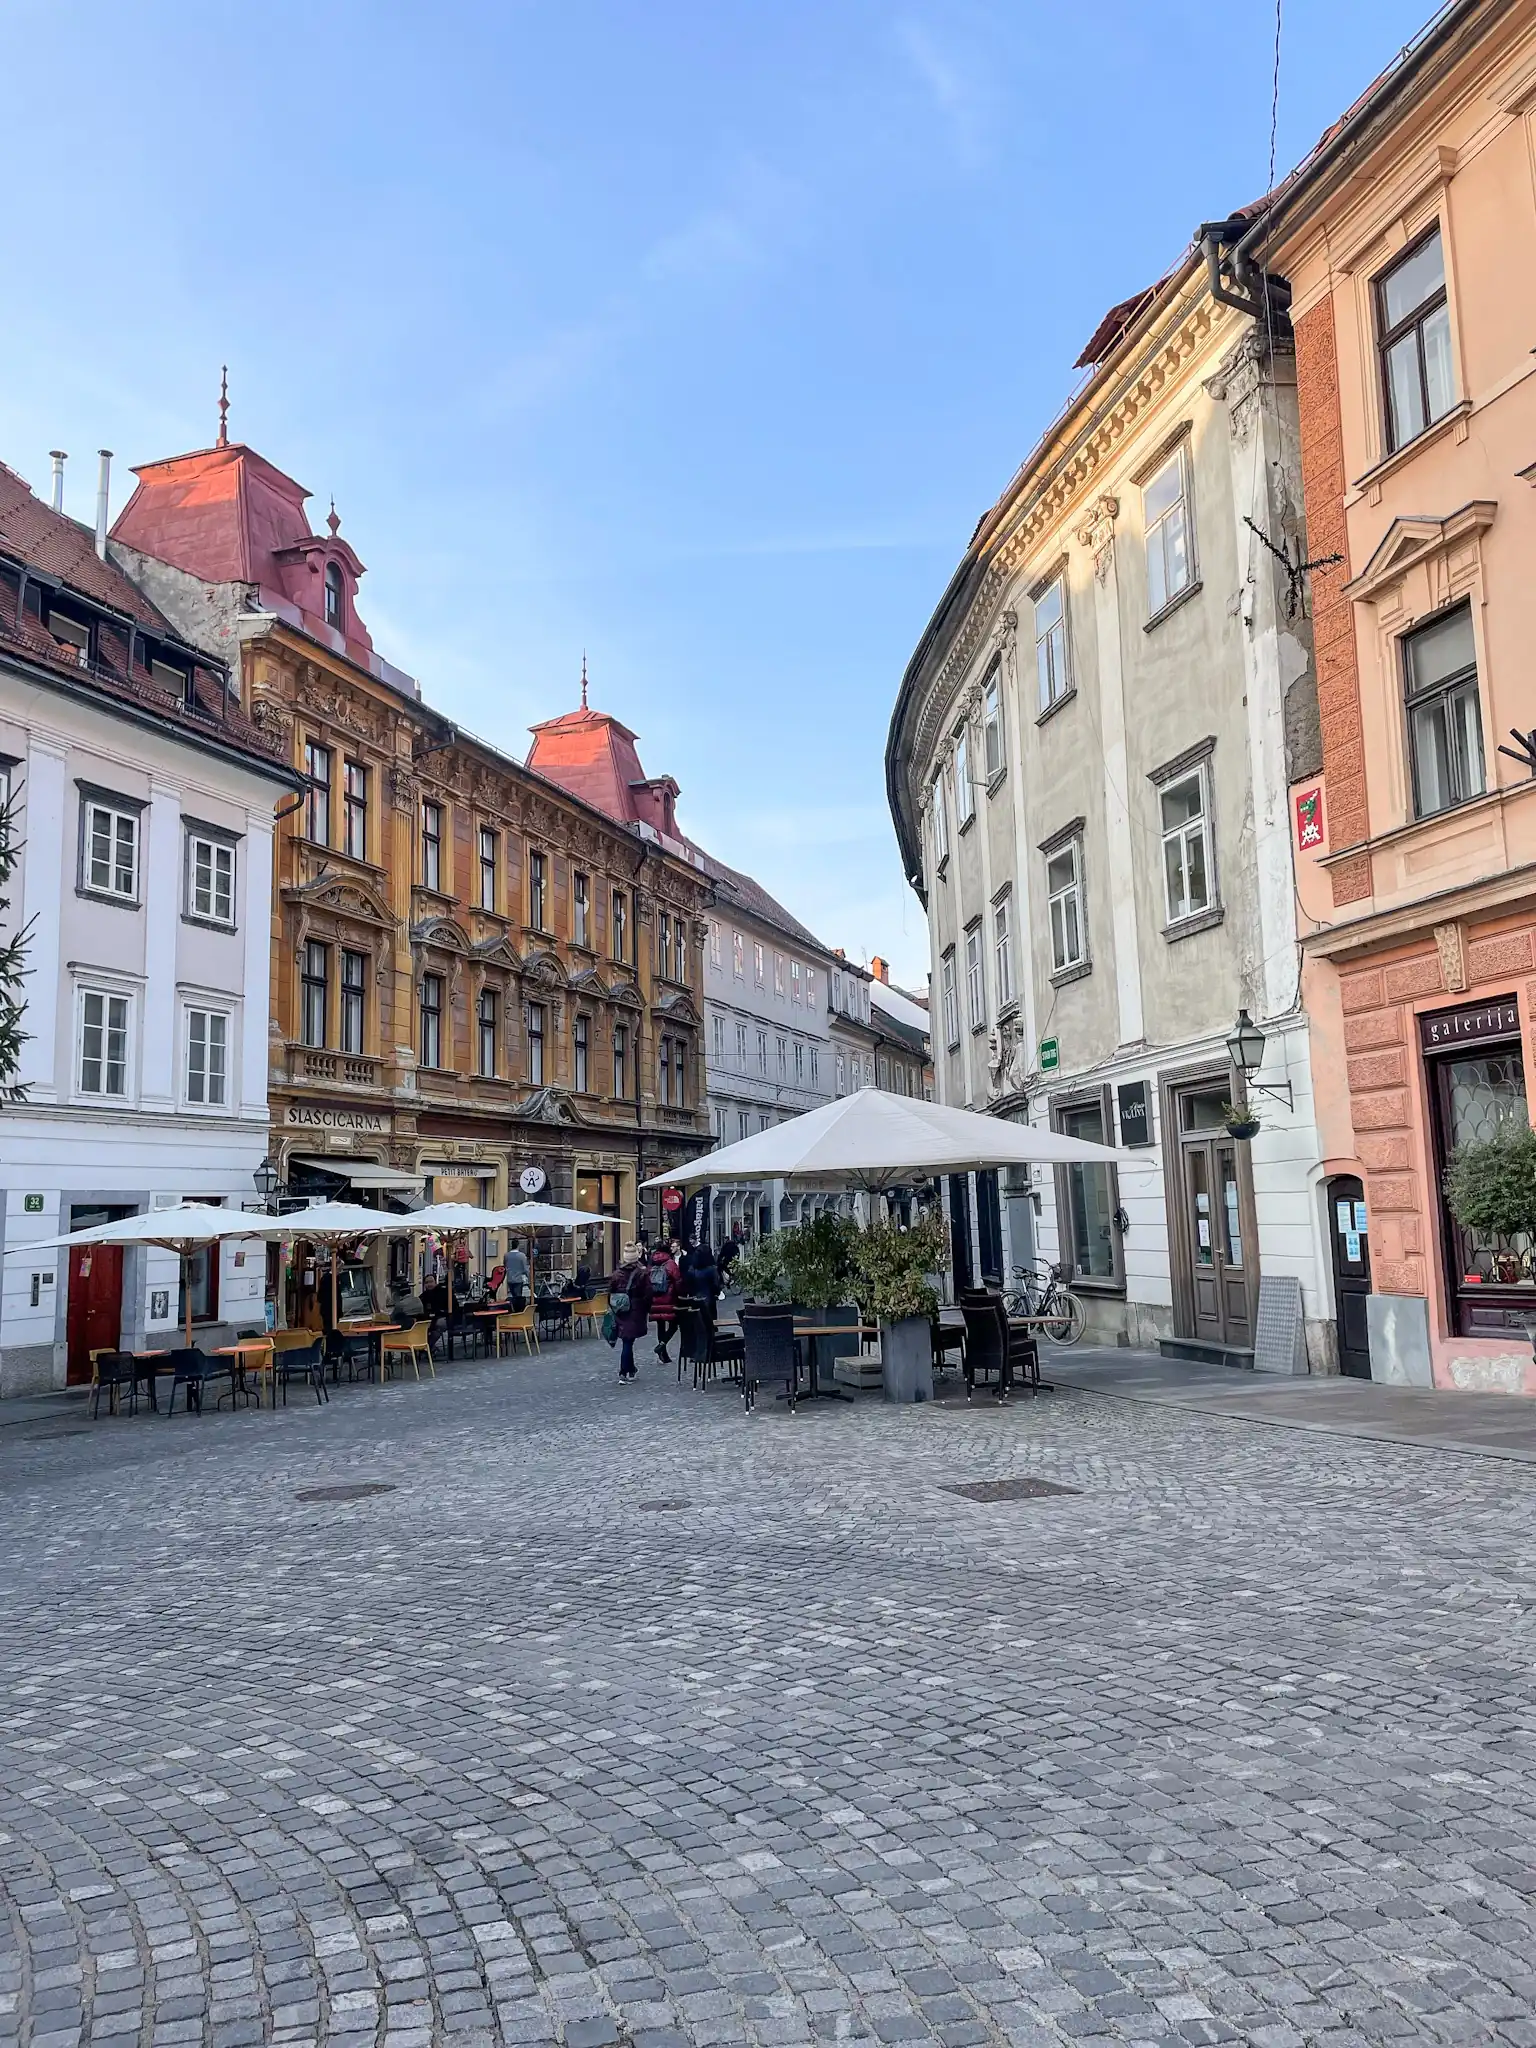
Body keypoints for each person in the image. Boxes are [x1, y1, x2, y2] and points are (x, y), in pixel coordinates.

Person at [607, 1242, 653, 1382]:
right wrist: (646, 1307)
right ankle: (623, 1372)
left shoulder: (616, 1274)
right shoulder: (642, 1273)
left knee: (628, 1339)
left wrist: (613, 1306)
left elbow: (610, 1291)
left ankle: (631, 1369)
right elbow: (648, 1292)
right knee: (628, 1341)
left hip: (620, 1310)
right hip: (635, 1310)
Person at [649, 1241, 681, 1365]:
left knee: (660, 1326)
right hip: (669, 1299)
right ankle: (662, 1345)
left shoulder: (652, 1264)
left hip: (655, 1300)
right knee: (674, 1325)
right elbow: (678, 1281)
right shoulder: (670, 1264)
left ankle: (663, 1355)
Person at [502, 1237, 530, 1310]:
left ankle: (514, 1309)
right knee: (518, 1297)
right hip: (518, 1279)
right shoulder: (522, 1256)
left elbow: (505, 1266)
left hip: (510, 1279)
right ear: (518, 1245)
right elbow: (525, 1269)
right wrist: (529, 1278)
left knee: (513, 1296)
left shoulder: (506, 1255)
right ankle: (518, 1311)